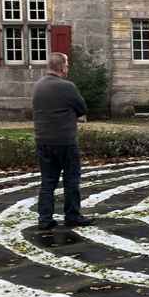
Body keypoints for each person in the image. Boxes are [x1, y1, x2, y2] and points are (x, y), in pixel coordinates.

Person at [32, 52, 92, 230]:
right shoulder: (67, 87)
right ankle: (72, 216)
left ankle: (44, 219)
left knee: (48, 181)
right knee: (71, 179)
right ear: (61, 67)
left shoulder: (38, 86)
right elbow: (82, 109)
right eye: (67, 65)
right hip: (64, 140)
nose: (68, 68)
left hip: (43, 140)